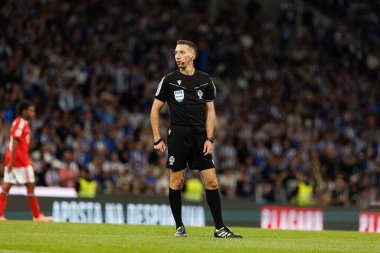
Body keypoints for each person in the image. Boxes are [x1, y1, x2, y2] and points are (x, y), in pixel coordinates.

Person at [150, 40, 242, 238]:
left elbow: (211, 111)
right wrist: (157, 138)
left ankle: (219, 228)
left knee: (212, 181)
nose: (177, 56)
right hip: (178, 135)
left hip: (200, 136)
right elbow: (155, 110)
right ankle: (179, 227)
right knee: (176, 181)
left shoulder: (206, 80)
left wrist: (210, 138)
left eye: (182, 52)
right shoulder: (169, 80)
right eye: (175, 52)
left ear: (192, 56)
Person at [0, 101, 52, 222]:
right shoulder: (20, 123)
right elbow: (16, 141)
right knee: (30, 186)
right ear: (24, 111)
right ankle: (37, 216)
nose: (33, 113)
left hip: (16, 159)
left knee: (6, 186)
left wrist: (28, 159)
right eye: (31, 110)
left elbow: (21, 145)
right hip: (19, 162)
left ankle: (0, 214)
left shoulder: (21, 123)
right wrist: (13, 160)